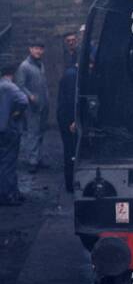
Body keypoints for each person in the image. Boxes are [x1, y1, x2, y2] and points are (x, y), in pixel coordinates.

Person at [15, 41, 49, 172]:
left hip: (43, 104)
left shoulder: (40, 64)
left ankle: (38, 158)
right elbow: (20, 85)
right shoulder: (24, 66)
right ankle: (32, 161)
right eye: (36, 49)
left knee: (40, 132)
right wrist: (30, 96)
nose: (38, 51)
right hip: (31, 106)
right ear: (30, 49)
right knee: (32, 133)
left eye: (41, 49)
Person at [0, 64, 30, 205]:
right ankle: (9, 195)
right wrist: (15, 114)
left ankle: (9, 191)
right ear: (12, 73)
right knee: (9, 163)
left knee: (3, 162)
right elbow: (24, 101)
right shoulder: (10, 87)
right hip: (9, 130)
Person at [57, 61, 77, 192]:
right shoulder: (72, 76)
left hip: (65, 118)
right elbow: (70, 100)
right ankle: (70, 184)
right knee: (70, 151)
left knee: (70, 151)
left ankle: (70, 184)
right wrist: (73, 120)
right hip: (68, 120)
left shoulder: (72, 73)